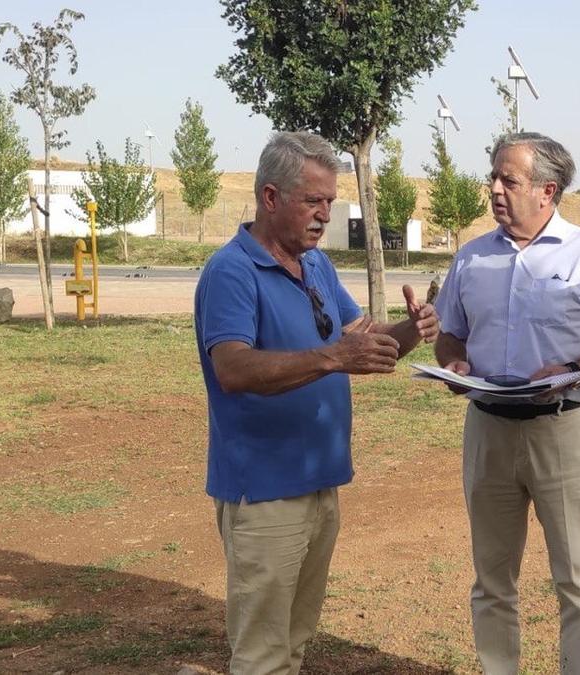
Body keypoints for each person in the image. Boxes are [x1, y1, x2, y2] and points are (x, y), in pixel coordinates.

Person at [194, 131, 438, 675]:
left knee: (296, 641)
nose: (325, 214)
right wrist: (331, 358)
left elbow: (365, 345)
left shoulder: (318, 266)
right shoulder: (231, 270)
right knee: (261, 654)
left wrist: (413, 330)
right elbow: (231, 368)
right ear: (270, 197)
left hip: (318, 483)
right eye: (313, 201)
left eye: (330, 201)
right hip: (263, 491)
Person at [433, 132, 580, 674]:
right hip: (489, 430)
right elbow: (450, 335)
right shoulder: (472, 258)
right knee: (492, 577)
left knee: (576, 576)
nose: (496, 190)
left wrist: (573, 371)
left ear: (547, 190)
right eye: (494, 178)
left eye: (510, 180)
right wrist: (455, 363)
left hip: (563, 429)